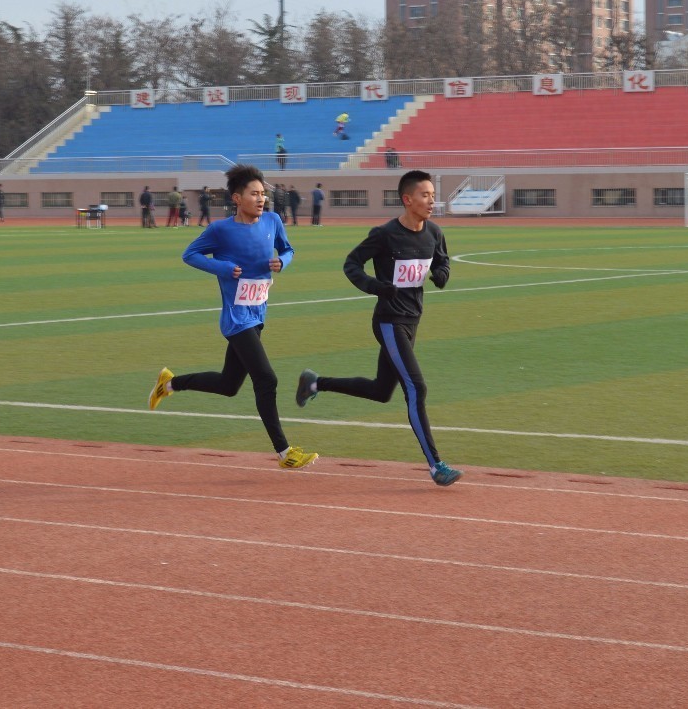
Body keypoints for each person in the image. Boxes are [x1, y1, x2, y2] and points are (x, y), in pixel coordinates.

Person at [294, 170, 461, 487]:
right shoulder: (385, 234)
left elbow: (443, 262)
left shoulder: (434, 233)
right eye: (424, 195)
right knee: (416, 388)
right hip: (388, 321)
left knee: (381, 391)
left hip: (413, 321)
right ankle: (436, 465)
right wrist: (375, 286)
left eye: (432, 194)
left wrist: (441, 274)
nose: (431, 200)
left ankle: (315, 383)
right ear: (407, 199)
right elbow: (351, 263)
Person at [148, 164, 317, 471]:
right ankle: (284, 452)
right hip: (237, 319)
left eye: (263, 193)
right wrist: (222, 268)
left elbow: (289, 249)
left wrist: (284, 261)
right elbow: (190, 255)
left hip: (258, 313)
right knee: (267, 379)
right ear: (237, 198)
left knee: (229, 384)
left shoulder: (273, 220)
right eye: (255, 193)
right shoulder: (221, 230)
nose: (261, 198)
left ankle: (170, 384)